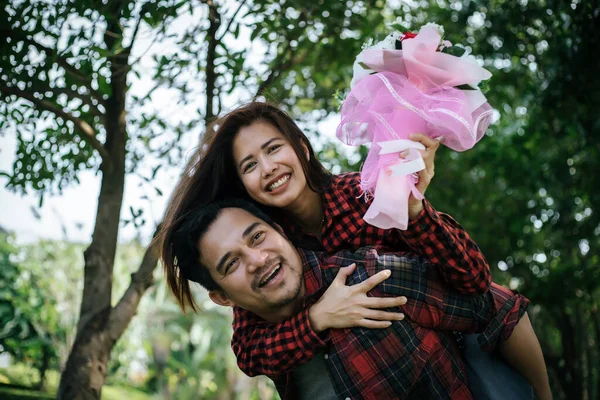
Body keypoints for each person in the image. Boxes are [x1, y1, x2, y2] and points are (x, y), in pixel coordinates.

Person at [159, 102, 551, 399]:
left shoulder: (362, 195)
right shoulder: (263, 253)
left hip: (434, 335)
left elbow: (475, 283)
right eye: (249, 165)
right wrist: (316, 317)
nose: (268, 167)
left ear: (301, 148)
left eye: (274, 148)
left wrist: (414, 210)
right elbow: (250, 350)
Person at [167, 198, 532, 399]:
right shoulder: (261, 343)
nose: (258, 260)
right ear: (222, 298)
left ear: (281, 231)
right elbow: (249, 357)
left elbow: (494, 305)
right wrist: (314, 322)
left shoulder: (369, 277)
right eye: (232, 263)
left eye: (258, 237)